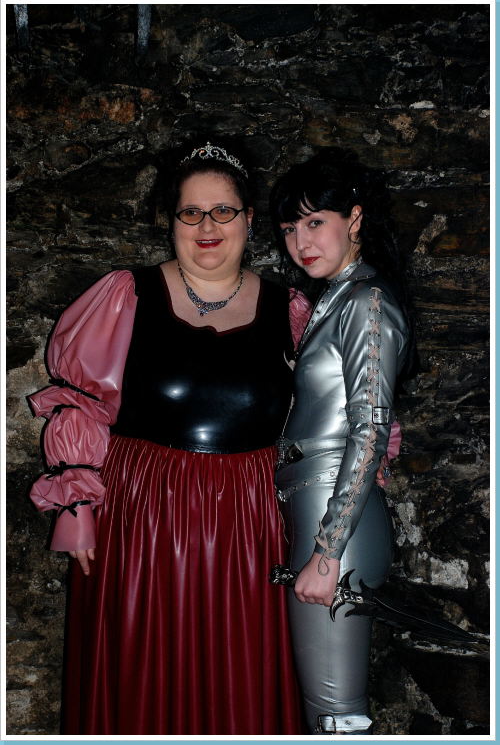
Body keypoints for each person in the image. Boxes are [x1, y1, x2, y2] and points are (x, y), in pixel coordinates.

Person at [28, 140, 312, 735]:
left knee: (241, 671)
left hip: (250, 520)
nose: (207, 227)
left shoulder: (290, 311)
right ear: (173, 221)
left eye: (223, 211)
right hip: (143, 514)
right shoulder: (125, 297)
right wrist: (76, 506)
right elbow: (81, 403)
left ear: (248, 219)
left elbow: (332, 412)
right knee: (139, 669)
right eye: (191, 212)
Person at [269, 147, 416, 735]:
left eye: (314, 222)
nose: (300, 242)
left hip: (335, 521)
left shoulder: (365, 300)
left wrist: (327, 552)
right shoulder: (336, 298)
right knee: (325, 711)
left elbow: (370, 429)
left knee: (336, 715)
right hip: (318, 507)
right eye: (289, 228)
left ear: (354, 219)